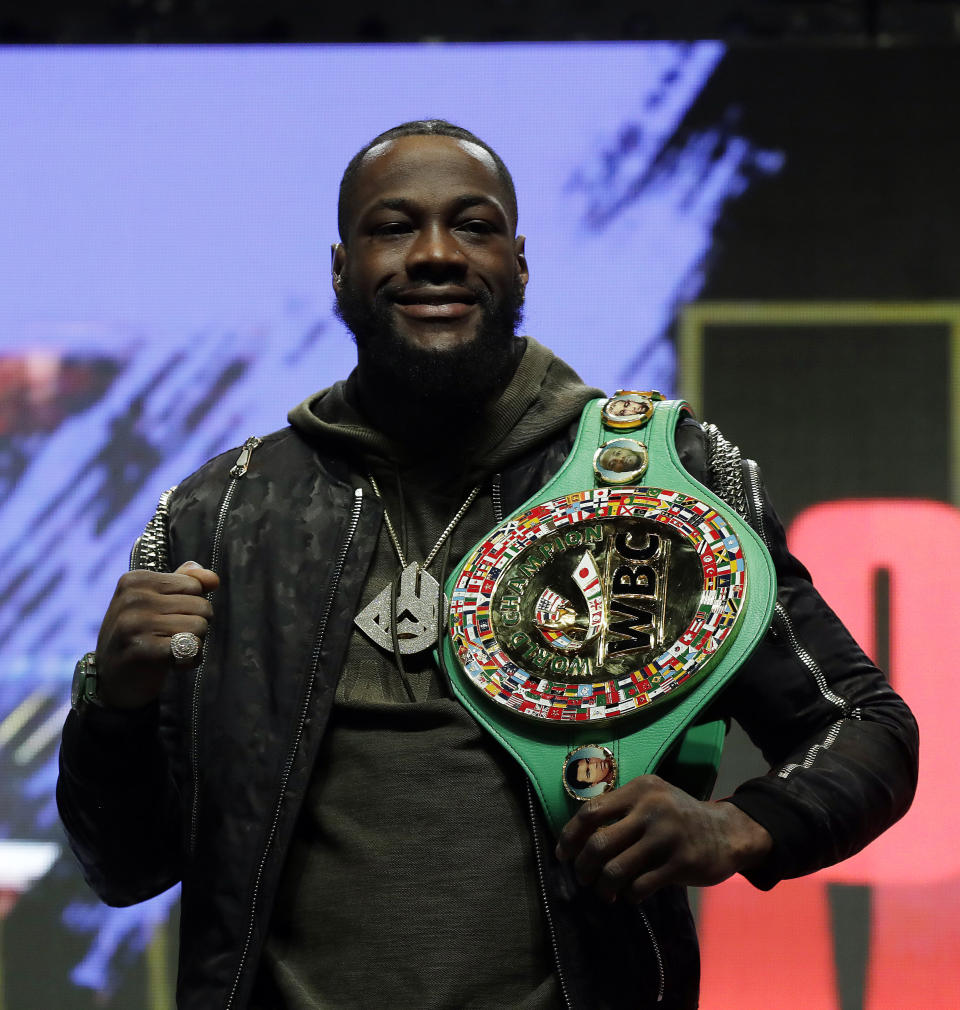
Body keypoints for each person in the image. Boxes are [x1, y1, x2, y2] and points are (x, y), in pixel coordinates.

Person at [57, 120, 919, 1010]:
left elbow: (867, 726)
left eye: (472, 225)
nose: (435, 254)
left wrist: (737, 828)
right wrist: (113, 707)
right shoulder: (225, 513)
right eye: (393, 227)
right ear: (340, 267)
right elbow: (122, 866)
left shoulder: (660, 484)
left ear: (520, 261)